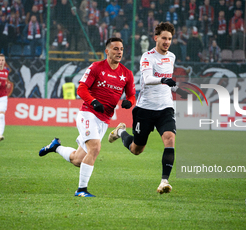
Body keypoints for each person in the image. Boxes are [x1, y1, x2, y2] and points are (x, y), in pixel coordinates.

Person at [38, 38, 136, 197]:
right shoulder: (97, 67)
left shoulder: (127, 74)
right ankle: (81, 190)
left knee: (78, 160)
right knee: (95, 148)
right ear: (107, 51)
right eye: (116, 49)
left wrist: (129, 102)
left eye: (121, 49)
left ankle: (55, 147)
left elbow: (132, 95)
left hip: (104, 121)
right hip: (88, 114)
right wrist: (93, 101)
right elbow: (82, 88)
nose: (119, 52)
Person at [108, 22, 178, 194]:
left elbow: (167, 81)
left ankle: (164, 181)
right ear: (156, 38)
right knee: (136, 150)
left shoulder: (172, 57)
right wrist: (163, 80)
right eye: (163, 38)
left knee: (170, 139)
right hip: (145, 109)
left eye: (169, 38)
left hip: (165, 108)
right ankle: (120, 133)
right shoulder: (148, 57)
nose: (167, 41)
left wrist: (169, 84)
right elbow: (146, 79)